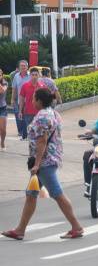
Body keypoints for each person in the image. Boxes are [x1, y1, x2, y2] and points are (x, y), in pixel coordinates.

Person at [1, 89, 84, 240]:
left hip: (45, 162)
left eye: (33, 98)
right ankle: (20, 230)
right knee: (31, 194)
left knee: (57, 194)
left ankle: (76, 226)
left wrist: (37, 165)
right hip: (49, 159)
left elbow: (42, 141)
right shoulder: (52, 113)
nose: (31, 101)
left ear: (39, 101)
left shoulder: (43, 117)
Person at [19, 68, 46, 140]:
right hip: (28, 112)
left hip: (40, 112)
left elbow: (45, 99)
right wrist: (20, 111)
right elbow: (21, 99)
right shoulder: (25, 86)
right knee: (30, 132)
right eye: (32, 75)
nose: (34, 76)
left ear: (38, 76)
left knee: (39, 131)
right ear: (30, 75)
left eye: (36, 75)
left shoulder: (42, 86)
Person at [11, 60, 30, 140]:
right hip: (20, 101)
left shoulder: (30, 76)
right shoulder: (16, 76)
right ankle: (23, 133)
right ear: (19, 67)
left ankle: (27, 134)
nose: (23, 67)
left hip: (30, 101)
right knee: (21, 117)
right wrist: (12, 99)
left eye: (24, 66)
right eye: (21, 66)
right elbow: (14, 88)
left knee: (28, 117)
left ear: (27, 67)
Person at [0, 68, 8, 150]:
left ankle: (2, 141)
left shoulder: (4, 83)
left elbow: (2, 90)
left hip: (2, 107)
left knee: (2, 129)